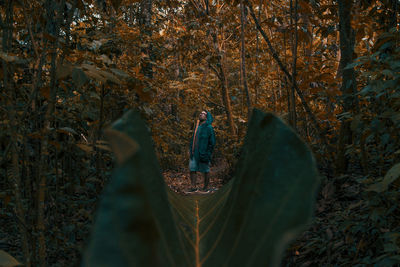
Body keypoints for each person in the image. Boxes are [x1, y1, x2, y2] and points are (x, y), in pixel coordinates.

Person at [188, 110, 216, 192]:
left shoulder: (209, 128)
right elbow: (193, 139)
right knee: (192, 169)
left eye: (203, 114)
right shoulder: (197, 127)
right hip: (194, 152)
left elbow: (212, 142)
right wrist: (190, 150)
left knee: (206, 170)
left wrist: (208, 153)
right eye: (200, 113)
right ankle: (193, 187)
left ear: (207, 117)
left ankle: (206, 187)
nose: (201, 114)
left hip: (204, 153)